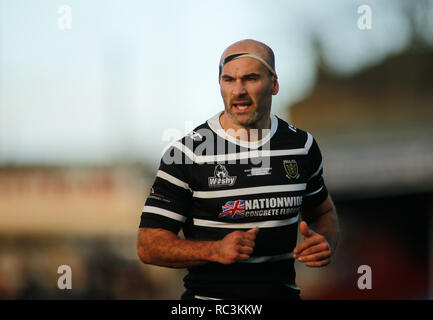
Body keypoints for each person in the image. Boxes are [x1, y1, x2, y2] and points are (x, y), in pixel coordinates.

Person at [137, 39, 339, 300]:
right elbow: (148, 245)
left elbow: (324, 212)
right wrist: (214, 251)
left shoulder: (301, 146)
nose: (238, 90)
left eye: (250, 78)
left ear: (274, 84)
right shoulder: (187, 154)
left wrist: (325, 242)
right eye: (229, 80)